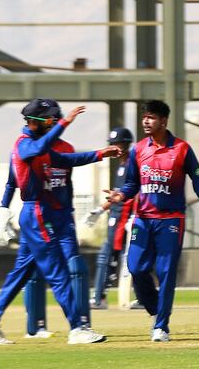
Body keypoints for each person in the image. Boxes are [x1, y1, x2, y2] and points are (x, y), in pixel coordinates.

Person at [0, 98, 121, 345]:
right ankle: (77, 329)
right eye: (51, 119)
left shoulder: (37, 145)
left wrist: (99, 154)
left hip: (38, 215)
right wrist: (65, 122)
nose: (54, 122)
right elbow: (39, 151)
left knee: (20, 273)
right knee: (58, 272)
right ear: (37, 123)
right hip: (37, 214)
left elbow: (65, 160)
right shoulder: (25, 145)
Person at [105, 100, 199, 342]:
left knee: (166, 272)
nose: (146, 121)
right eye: (145, 117)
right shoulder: (137, 150)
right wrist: (120, 195)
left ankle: (161, 326)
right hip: (143, 219)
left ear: (164, 121)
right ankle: (157, 308)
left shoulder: (182, 149)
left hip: (171, 220)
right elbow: (132, 184)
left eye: (152, 117)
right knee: (136, 268)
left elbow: (198, 179)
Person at [84, 126, 136, 310]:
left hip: (125, 218)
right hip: (116, 216)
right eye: (114, 145)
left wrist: (134, 215)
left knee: (130, 258)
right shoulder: (121, 166)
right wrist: (99, 210)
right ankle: (99, 297)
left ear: (127, 145)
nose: (116, 148)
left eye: (120, 144)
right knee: (108, 257)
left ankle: (101, 298)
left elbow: (132, 193)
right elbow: (117, 195)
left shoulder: (131, 164)